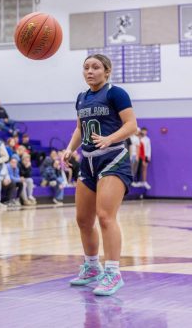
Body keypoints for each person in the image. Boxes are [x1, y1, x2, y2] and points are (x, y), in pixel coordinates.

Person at [63, 54, 137, 296]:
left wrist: (110, 139)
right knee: (83, 220)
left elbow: (131, 125)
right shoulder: (82, 98)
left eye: (95, 67)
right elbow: (79, 128)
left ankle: (113, 273)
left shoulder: (116, 93)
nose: (90, 71)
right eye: (86, 68)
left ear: (107, 71)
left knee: (105, 216)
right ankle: (92, 267)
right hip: (88, 162)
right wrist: (69, 148)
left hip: (113, 158)